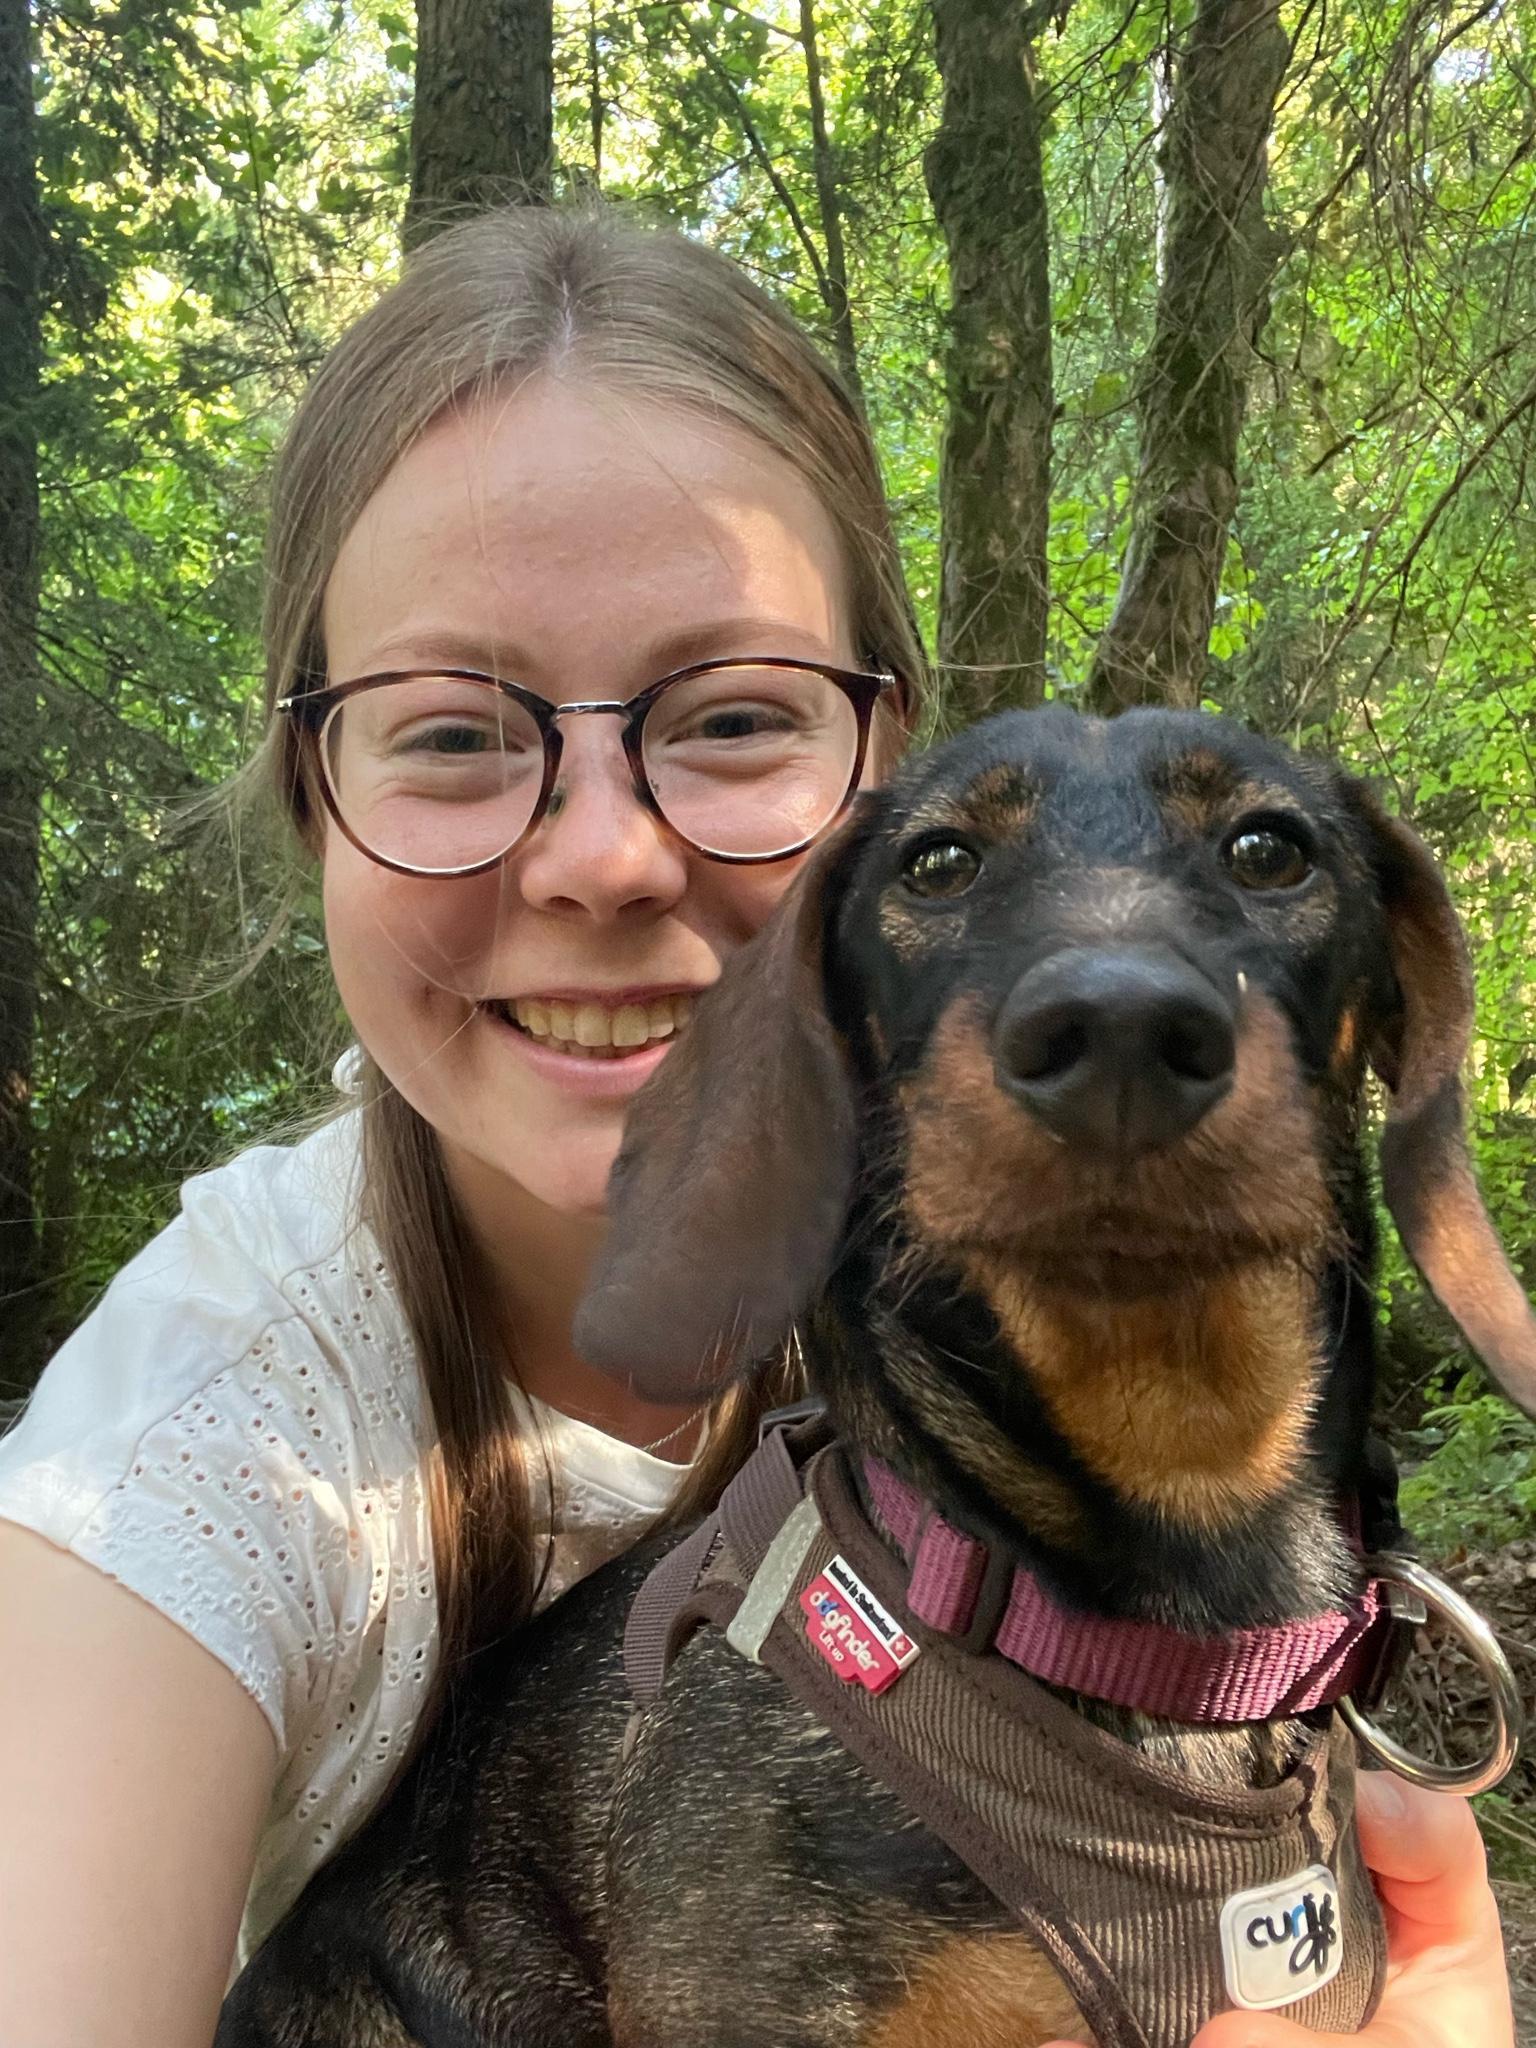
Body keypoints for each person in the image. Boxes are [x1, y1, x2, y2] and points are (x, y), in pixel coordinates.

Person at [0, 208, 1514, 2048]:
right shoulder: (165, 1473)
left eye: (730, 717)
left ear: (879, 769)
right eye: (452, 734)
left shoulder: (949, 1209)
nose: (605, 857)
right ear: (314, 802)